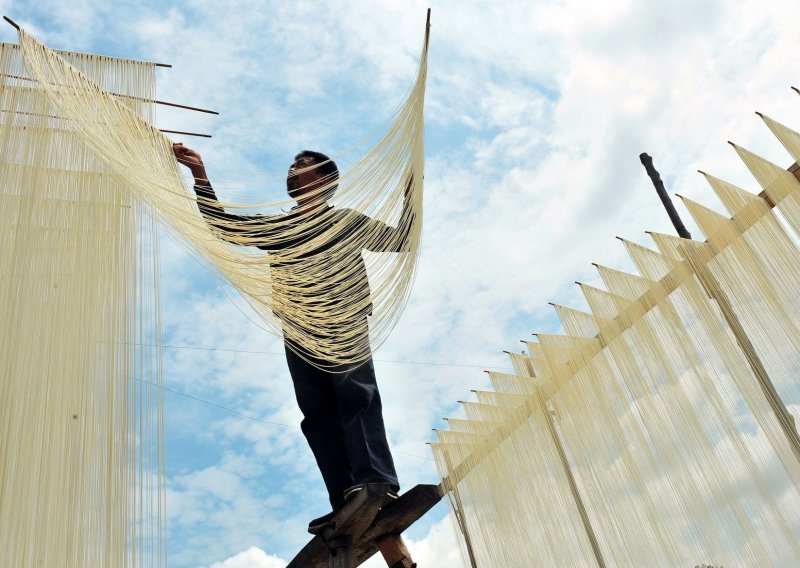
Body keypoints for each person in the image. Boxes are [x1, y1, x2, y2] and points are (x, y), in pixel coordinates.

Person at [173, 143, 413, 531]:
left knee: (356, 395)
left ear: (326, 180)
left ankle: (375, 482)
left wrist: (410, 196)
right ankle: (344, 499)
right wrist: (200, 175)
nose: (292, 168)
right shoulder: (281, 226)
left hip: (342, 317)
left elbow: (400, 239)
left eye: (303, 164)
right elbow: (226, 228)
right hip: (298, 324)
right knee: (316, 413)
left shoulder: (345, 221)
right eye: (292, 163)